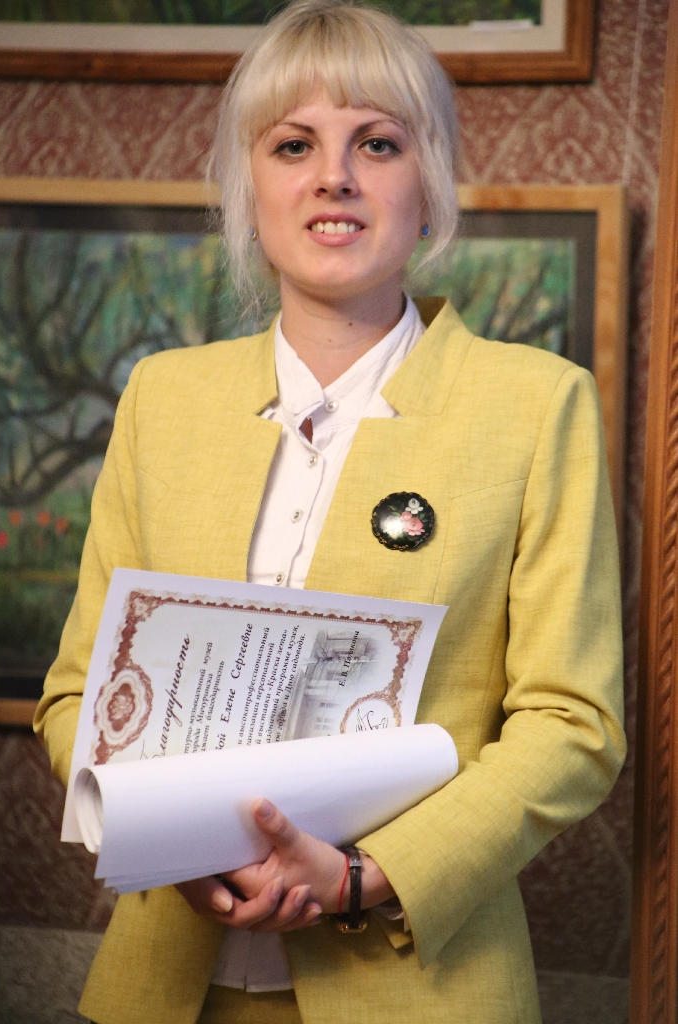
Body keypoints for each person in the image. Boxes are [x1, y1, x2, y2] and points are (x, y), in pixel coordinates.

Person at [34, 2, 626, 1022]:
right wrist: (172, 840)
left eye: (378, 143)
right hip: (165, 984)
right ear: (249, 187)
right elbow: (76, 696)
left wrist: (363, 875)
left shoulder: (537, 405)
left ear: (428, 185)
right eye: (293, 144)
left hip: (418, 987)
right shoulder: (162, 398)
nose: (333, 177)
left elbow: (571, 723)